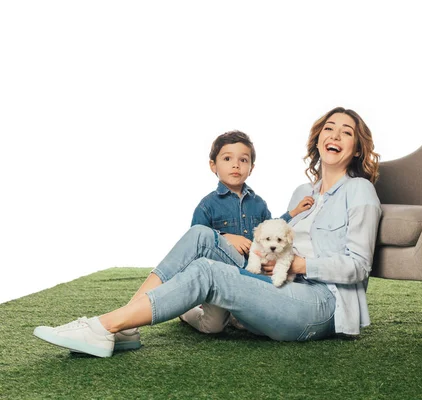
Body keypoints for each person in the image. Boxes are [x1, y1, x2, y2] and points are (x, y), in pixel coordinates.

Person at [33, 107, 382, 357]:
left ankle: (103, 326)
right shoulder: (301, 194)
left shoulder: (360, 191)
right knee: (201, 235)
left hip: (320, 303)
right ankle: (126, 325)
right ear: (319, 138)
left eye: (346, 132)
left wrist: (301, 267)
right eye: (330, 128)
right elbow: (272, 243)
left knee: (209, 272)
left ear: (355, 148)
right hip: (275, 284)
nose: (335, 135)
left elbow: (358, 266)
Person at [180, 130, 312, 334]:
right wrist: (224, 237)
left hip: (248, 277)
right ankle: (188, 311)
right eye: (227, 158)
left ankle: (234, 316)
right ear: (213, 165)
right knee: (212, 327)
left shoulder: (258, 203)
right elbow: (196, 242)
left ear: (251, 168)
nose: (236, 165)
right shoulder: (207, 206)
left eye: (243, 160)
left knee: (254, 323)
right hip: (218, 279)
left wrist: (293, 212)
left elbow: (271, 229)